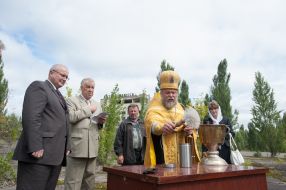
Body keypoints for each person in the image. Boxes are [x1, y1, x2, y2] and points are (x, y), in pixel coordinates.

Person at [13, 64, 70, 190]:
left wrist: (67, 146)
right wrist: (35, 145)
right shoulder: (39, 87)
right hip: (38, 155)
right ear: (51, 73)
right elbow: (31, 117)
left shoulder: (59, 95)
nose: (65, 79)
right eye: (62, 75)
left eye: (67, 77)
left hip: (54, 156)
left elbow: (64, 123)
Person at [144, 70, 200, 168]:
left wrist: (190, 132)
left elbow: (191, 133)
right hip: (160, 160)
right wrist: (161, 127)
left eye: (173, 93)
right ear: (161, 93)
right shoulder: (154, 107)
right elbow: (151, 123)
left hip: (181, 161)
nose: (171, 95)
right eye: (167, 93)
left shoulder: (181, 109)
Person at [64, 78, 107, 190]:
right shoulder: (71, 100)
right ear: (81, 88)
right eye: (88, 87)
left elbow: (97, 126)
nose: (90, 89)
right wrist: (88, 109)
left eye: (92, 87)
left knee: (89, 181)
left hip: (92, 148)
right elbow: (71, 117)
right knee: (73, 182)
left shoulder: (97, 104)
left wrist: (101, 123)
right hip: (77, 147)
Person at [202, 100, 235, 164]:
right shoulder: (206, 120)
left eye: (215, 108)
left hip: (224, 151)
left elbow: (232, 134)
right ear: (209, 111)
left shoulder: (226, 120)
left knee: (225, 169)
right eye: (211, 109)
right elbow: (204, 137)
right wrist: (204, 151)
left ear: (218, 109)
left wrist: (224, 135)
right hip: (210, 151)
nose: (214, 111)